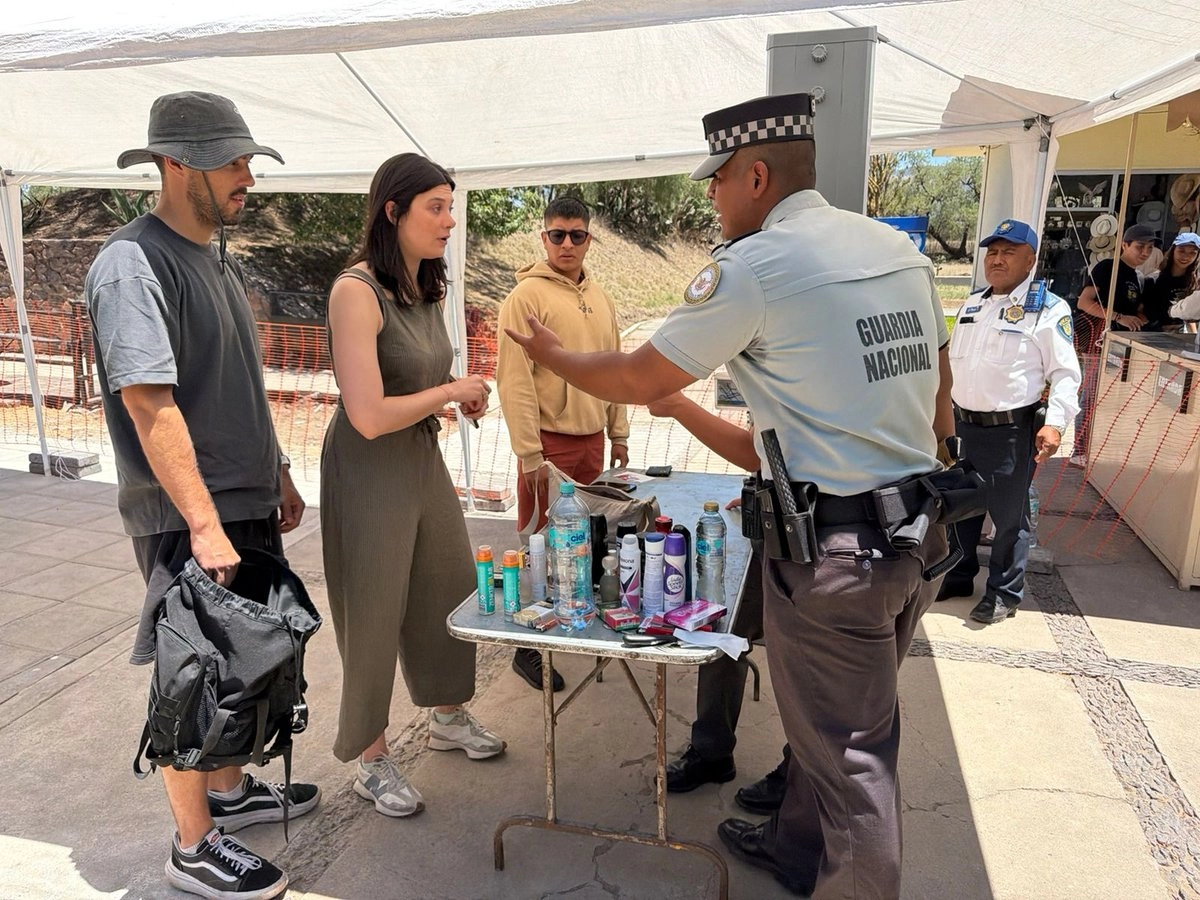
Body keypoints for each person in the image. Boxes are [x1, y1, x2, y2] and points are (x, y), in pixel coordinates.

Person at [507, 92, 955, 899]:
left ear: (756, 175)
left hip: (837, 561)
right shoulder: (895, 252)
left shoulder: (756, 267)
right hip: (913, 533)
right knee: (831, 737)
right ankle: (793, 852)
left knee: (854, 766)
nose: (709, 196)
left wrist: (553, 353)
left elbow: (638, 373)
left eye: (717, 181)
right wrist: (676, 407)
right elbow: (923, 393)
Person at [85, 91, 319, 900]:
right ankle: (192, 845)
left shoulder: (217, 257)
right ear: (175, 164)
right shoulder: (131, 263)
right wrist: (204, 523)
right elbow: (151, 404)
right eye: (232, 163)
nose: (247, 177)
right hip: (193, 514)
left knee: (243, 664)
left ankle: (230, 794)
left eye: (248, 161)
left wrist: (279, 471)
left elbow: (239, 387)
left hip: (242, 499)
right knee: (194, 675)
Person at [320, 152, 504, 821]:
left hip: (421, 457)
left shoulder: (423, 287)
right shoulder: (355, 292)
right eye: (436, 206)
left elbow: (418, 388)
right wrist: (451, 391)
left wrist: (453, 401)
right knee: (372, 610)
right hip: (368, 468)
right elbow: (366, 415)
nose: (450, 220)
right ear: (392, 211)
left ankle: (449, 715)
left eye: (451, 206)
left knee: (448, 586)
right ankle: (372, 758)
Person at [495, 197, 630, 692]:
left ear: (590, 238)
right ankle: (528, 648)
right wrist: (529, 452)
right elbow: (514, 381)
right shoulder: (525, 297)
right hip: (548, 447)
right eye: (557, 235)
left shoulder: (600, 295)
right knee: (538, 550)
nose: (567, 243)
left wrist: (618, 432)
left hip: (592, 442)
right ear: (543, 238)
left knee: (586, 547)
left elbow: (615, 365)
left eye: (577, 235)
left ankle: (575, 634)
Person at [644, 393, 790, 810]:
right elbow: (764, 444)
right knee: (726, 632)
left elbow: (758, 450)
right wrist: (761, 487)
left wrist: (674, 403)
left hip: (829, 531)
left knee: (805, 660)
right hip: (775, 512)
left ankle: (803, 772)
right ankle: (711, 752)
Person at [936, 220, 1081, 624]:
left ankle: (1004, 592)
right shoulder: (972, 305)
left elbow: (1066, 374)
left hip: (1011, 432)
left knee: (1008, 518)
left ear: (1030, 260)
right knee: (961, 507)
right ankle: (959, 575)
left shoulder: (1049, 309)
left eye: (1008, 252)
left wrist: (1055, 424)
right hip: (964, 426)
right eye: (992, 252)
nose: (997, 260)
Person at [1071, 223, 1156, 466]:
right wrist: (1118, 317)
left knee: (1109, 397)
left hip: (1118, 344)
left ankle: (1099, 448)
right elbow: (1084, 302)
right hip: (1095, 341)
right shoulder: (1108, 267)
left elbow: (1136, 311)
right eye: (1140, 246)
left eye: (1149, 248)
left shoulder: (1137, 277)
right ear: (1124, 245)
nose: (1145, 253)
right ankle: (1080, 450)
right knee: (1090, 395)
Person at [1143, 232, 1200, 331]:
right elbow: (1141, 311)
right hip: (1154, 334)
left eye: (1192, 253)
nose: (1186, 257)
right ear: (1173, 250)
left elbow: (1190, 315)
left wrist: (1192, 336)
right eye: (1181, 251)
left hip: (1181, 334)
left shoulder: (1194, 282)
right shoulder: (1153, 280)